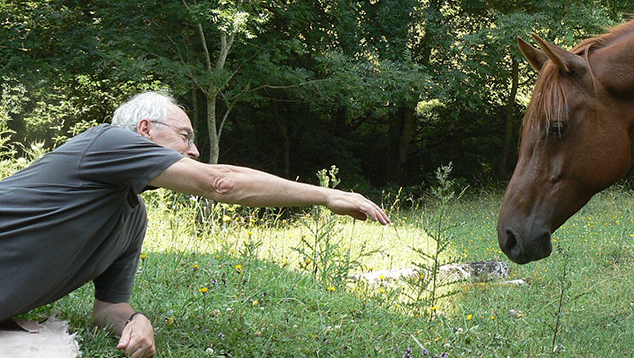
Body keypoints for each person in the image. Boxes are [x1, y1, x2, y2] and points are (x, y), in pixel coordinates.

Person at [0, 91, 391, 358]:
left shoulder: (133, 219)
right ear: (144, 132)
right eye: (184, 137)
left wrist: (135, 321)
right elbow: (220, 182)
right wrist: (326, 196)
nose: (194, 151)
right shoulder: (105, 142)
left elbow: (108, 307)